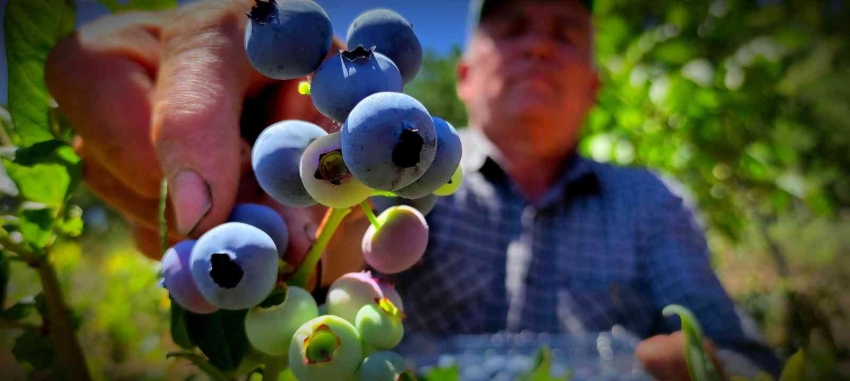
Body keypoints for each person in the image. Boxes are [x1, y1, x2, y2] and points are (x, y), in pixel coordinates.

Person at [44, 0, 781, 379]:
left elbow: (740, 357)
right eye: (512, 26)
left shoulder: (655, 202)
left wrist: (694, 362)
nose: (539, 43)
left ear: (593, 86)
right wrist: (253, 166)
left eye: (565, 30)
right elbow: (328, 274)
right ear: (464, 75)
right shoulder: (390, 184)